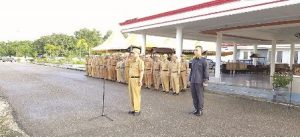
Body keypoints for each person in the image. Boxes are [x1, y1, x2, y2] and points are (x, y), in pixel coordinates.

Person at [189, 46, 209, 116]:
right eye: (194, 50)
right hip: (193, 81)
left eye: (197, 50)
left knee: (200, 96)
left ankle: (200, 110)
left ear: (201, 51)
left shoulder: (204, 60)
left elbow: (206, 71)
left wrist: (205, 81)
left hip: (199, 81)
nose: (195, 51)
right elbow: (192, 71)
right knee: (194, 96)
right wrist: (190, 79)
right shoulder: (193, 60)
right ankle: (196, 109)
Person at [128, 48, 144, 116]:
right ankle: (134, 109)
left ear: (138, 54)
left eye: (134, 53)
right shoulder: (132, 61)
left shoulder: (140, 61)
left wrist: (140, 80)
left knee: (136, 95)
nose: (132, 54)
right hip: (131, 79)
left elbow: (141, 71)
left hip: (136, 79)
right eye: (132, 53)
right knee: (131, 95)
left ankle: (137, 110)